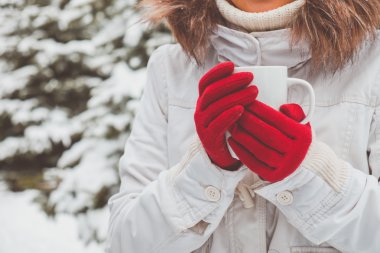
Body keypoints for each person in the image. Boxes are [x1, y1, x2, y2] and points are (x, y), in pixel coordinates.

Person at [107, 0, 380, 252]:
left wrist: (305, 173)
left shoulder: (373, 63)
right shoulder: (170, 69)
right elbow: (125, 242)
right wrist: (206, 169)